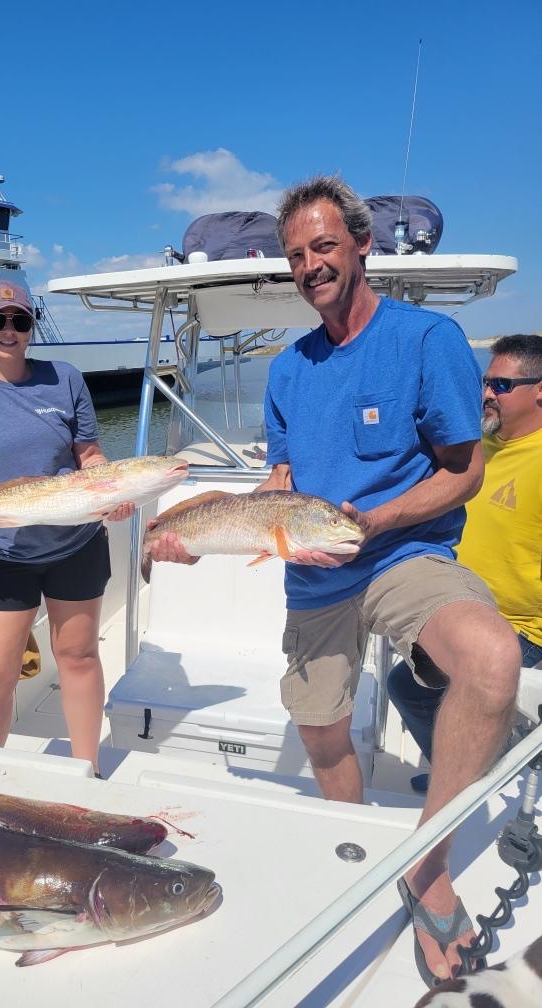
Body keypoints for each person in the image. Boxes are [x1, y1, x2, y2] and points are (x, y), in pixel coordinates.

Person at [147, 176, 521, 987]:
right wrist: (195, 530)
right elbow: (280, 478)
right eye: (296, 255)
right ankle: (347, 841)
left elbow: (462, 473)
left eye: (323, 246)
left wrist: (378, 523)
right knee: (321, 730)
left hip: (397, 553)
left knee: (491, 659)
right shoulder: (288, 371)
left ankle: (428, 865)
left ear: (361, 246)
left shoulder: (428, 341)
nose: (311, 264)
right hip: (313, 566)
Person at [0, 280, 133, 775]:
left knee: (77, 656)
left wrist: (110, 492)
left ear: (31, 326)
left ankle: (86, 770)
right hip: (3, 552)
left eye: (20, 320)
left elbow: (90, 454)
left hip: (75, 542)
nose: (9, 330)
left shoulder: (66, 378)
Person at [388, 334, 542, 789]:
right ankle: (467, 779)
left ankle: (468, 784)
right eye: (485, 382)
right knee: (408, 687)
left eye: (501, 384)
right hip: (457, 609)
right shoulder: (476, 449)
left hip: (520, 629)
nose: (486, 393)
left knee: (410, 689)